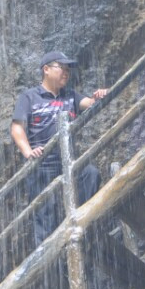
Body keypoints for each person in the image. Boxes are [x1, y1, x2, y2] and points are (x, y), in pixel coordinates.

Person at [11, 51, 108, 245]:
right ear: (46, 69)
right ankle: (49, 264)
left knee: (91, 174)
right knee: (44, 216)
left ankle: (84, 226)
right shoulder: (29, 97)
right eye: (61, 68)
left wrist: (100, 96)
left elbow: (89, 104)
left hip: (69, 162)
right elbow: (17, 127)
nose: (66, 72)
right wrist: (28, 152)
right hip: (42, 165)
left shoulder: (71, 96)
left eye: (67, 69)